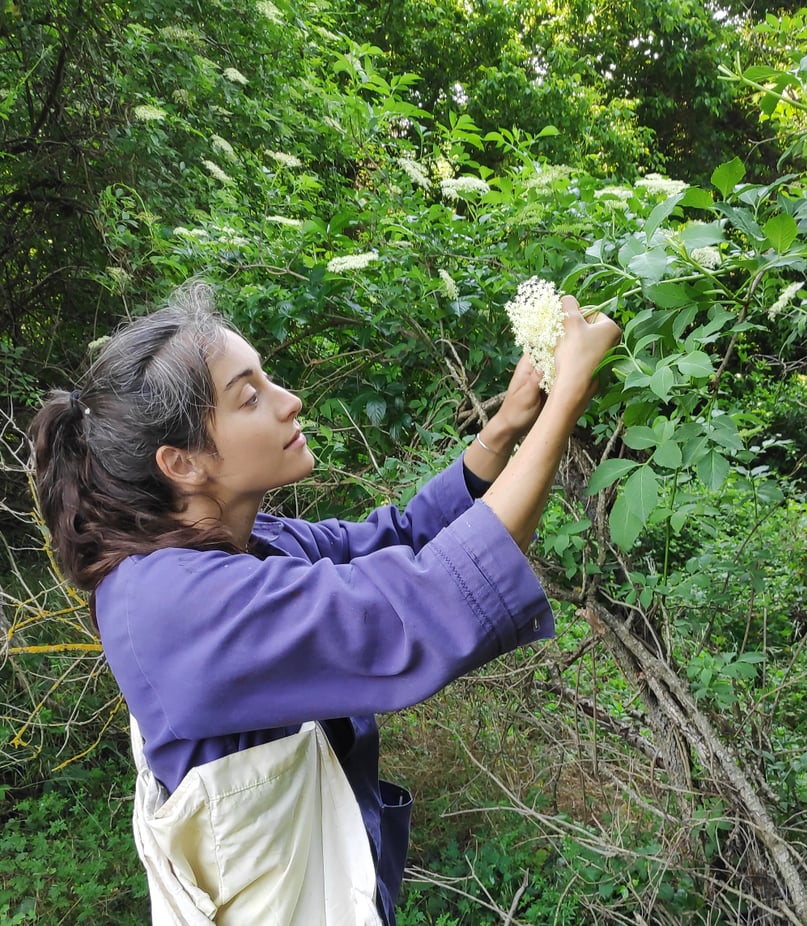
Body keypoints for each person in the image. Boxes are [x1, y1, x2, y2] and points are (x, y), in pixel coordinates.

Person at [29, 281, 621, 925]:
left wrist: (506, 425)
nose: (290, 402)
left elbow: (394, 540)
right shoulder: (173, 606)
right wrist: (565, 402)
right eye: (249, 396)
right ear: (182, 463)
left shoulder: (242, 544)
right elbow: (420, 603)